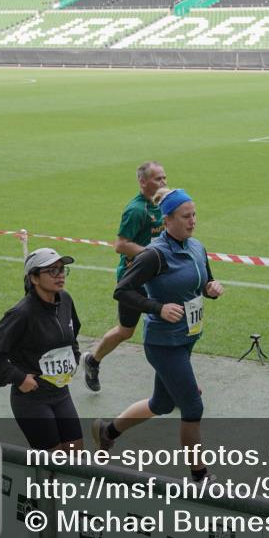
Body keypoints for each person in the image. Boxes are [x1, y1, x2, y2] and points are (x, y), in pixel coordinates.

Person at [91, 189, 224, 483]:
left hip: (187, 338)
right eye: (186, 216)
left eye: (194, 214)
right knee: (192, 406)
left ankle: (107, 430)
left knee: (161, 404)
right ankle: (200, 477)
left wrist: (211, 288)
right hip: (164, 343)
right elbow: (122, 290)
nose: (193, 221)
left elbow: (204, 282)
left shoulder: (196, 247)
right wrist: (158, 307)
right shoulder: (154, 255)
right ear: (167, 221)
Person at [0, 248, 83, 451]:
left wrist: (74, 357)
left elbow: (73, 331)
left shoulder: (65, 300)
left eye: (62, 270)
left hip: (61, 392)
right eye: (52, 270)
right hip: (32, 399)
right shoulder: (22, 313)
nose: (60, 275)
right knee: (52, 462)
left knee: (76, 452)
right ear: (34, 278)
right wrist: (19, 378)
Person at [82, 161, 167, 392]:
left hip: (156, 279)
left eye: (164, 178)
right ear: (142, 182)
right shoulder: (136, 210)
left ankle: (174, 383)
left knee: (165, 328)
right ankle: (93, 360)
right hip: (133, 279)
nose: (164, 182)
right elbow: (120, 245)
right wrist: (153, 255)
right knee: (125, 331)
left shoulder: (162, 205)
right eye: (158, 178)